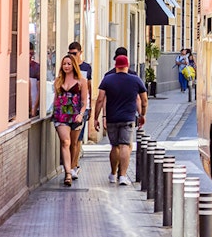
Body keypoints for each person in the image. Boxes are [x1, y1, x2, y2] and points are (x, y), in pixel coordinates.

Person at [93, 54, 148, 185]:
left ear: (115, 66)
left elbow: (100, 99)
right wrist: (142, 115)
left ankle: (113, 174)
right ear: (127, 66)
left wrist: (96, 117)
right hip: (128, 118)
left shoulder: (107, 79)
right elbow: (144, 100)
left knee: (114, 146)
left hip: (112, 118)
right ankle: (123, 176)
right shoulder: (136, 80)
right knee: (125, 145)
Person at [52, 54, 89, 187]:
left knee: (74, 144)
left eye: (69, 64)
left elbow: (84, 101)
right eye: (64, 64)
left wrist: (81, 114)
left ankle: (72, 167)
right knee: (65, 142)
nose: (66, 66)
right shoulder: (58, 81)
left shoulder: (82, 81)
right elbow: (56, 98)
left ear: (73, 65)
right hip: (61, 115)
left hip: (75, 115)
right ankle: (68, 173)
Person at [66, 42, 93, 178]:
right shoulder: (67, 67)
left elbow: (89, 86)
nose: (72, 56)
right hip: (68, 108)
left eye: (74, 54)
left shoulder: (86, 68)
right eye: (69, 54)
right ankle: (70, 166)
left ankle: (74, 166)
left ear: (80, 53)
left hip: (82, 108)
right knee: (68, 141)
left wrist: (89, 107)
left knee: (77, 139)